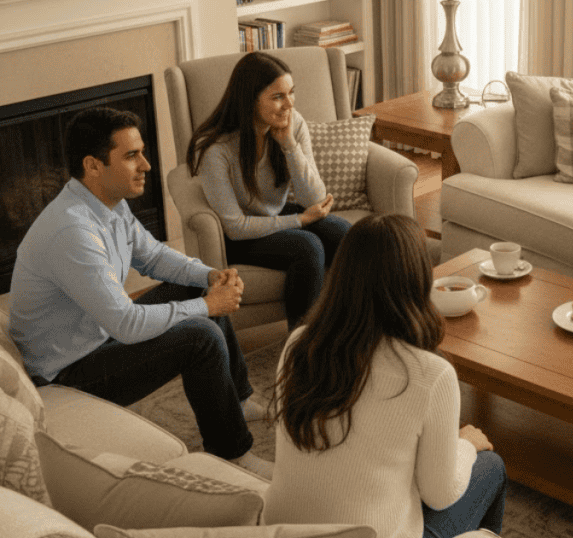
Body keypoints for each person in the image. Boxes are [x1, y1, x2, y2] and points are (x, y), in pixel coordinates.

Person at [9, 107, 273, 478]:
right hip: (66, 371)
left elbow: (153, 256)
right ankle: (232, 452)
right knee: (201, 335)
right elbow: (127, 324)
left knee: (198, 288)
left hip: (96, 335)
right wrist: (208, 306)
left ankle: (238, 398)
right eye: (131, 156)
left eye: (142, 152)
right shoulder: (72, 232)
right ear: (93, 165)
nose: (146, 165)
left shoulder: (108, 205)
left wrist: (210, 275)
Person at [263, 214, 507, 538]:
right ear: (418, 282)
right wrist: (465, 446)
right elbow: (440, 493)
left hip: (285, 532)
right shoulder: (432, 374)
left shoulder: (299, 344)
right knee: (490, 467)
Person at [186, 51, 349, 330]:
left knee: (346, 235)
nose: (289, 104)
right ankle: (301, 345)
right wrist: (299, 220)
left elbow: (315, 198)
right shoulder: (217, 150)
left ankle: (352, 327)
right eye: (278, 97)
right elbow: (235, 227)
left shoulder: (292, 122)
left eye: (291, 93)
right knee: (307, 247)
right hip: (239, 234)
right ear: (250, 100)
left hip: (273, 216)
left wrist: (288, 145)